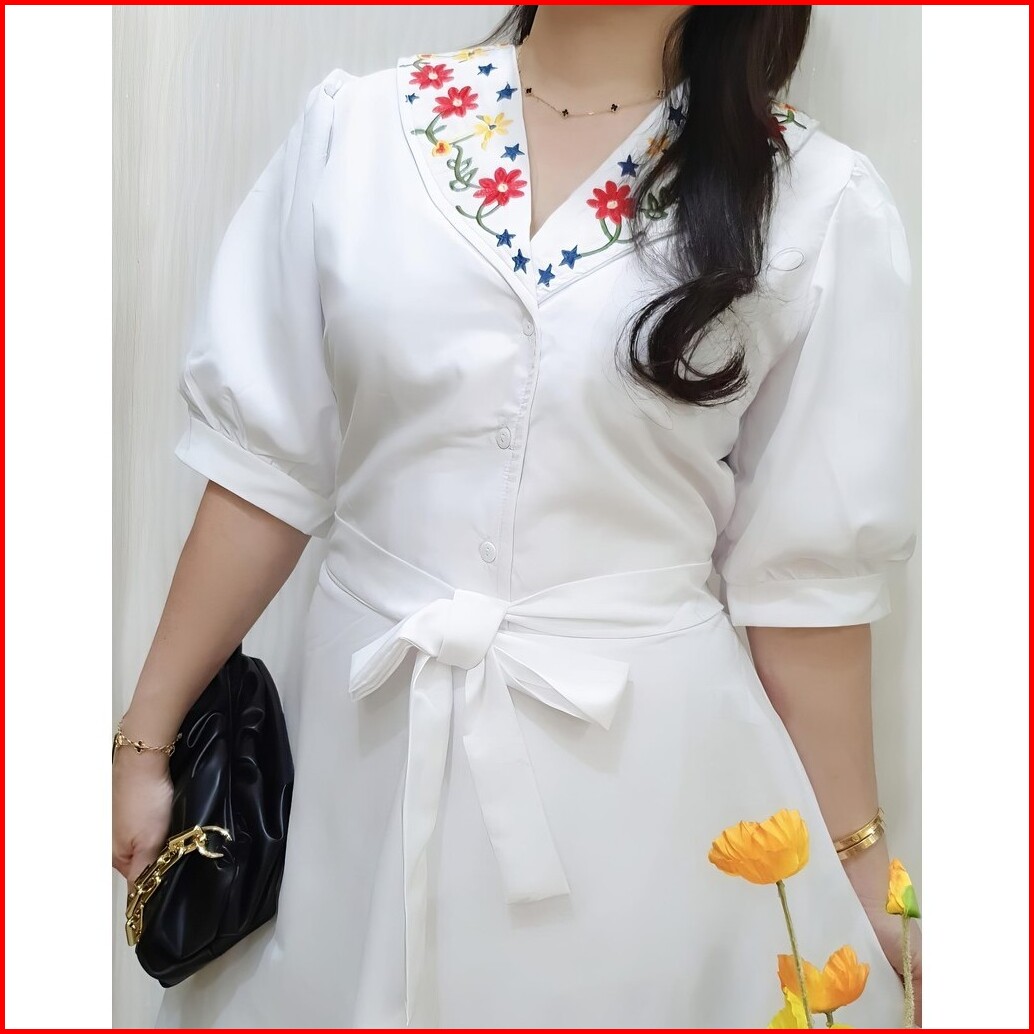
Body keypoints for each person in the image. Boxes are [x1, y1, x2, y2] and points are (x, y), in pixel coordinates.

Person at [112, 5, 922, 1028]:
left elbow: (804, 580)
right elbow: (262, 470)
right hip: (363, 746)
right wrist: (144, 742)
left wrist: (858, 863)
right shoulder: (361, 132)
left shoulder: (813, 197)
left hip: (644, 769)